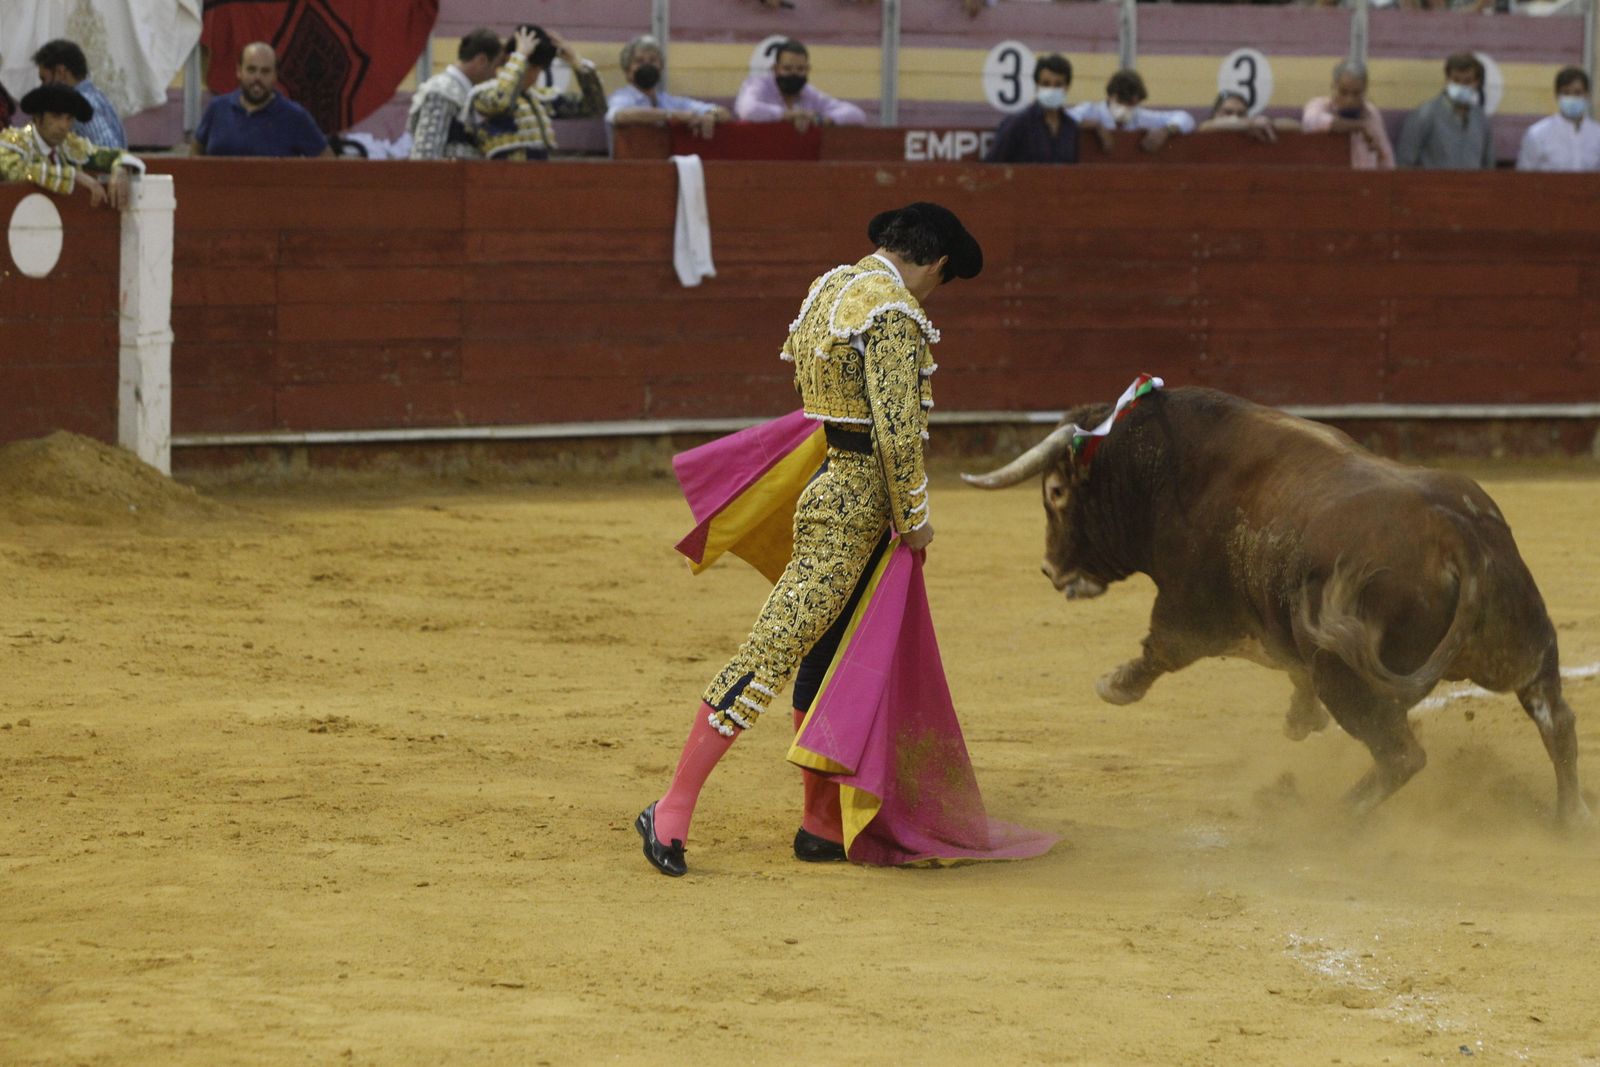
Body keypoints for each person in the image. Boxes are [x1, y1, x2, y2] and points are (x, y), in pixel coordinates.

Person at [635, 202, 983, 878]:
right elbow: (897, 433)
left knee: (831, 647)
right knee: (775, 648)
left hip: (827, 479)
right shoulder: (893, 314)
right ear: (936, 261)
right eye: (943, 278)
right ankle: (671, 808)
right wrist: (916, 519)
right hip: (855, 504)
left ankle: (820, 821)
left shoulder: (830, 288)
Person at [466, 25, 604, 161]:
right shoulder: (482, 94)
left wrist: (576, 61)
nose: (534, 75)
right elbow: (501, 102)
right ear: (510, 59)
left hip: (540, 177)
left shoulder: (540, 98)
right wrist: (520, 56)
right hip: (499, 177)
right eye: (530, 67)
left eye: (538, 69)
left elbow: (595, 107)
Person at [0, 83, 143, 209]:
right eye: (56, 116)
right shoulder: (12, 142)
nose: (64, 126)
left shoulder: (70, 146)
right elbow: (16, 172)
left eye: (69, 118)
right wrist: (74, 176)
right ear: (37, 117)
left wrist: (120, 169)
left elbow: (115, 155)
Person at [192, 43, 331, 157]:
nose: (257, 78)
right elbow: (196, 151)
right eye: (251, 70)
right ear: (239, 71)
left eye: (265, 71)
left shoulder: (295, 116)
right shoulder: (217, 109)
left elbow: (328, 165)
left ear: (275, 75)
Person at [605, 33, 730, 140]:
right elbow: (620, 115)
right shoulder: (620, 97)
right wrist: (672, 115)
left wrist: (711, 115)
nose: (647, 66)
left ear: (660, 68)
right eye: (639, 61)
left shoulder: (669, 101)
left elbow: (722, 112)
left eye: (653, 60)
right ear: (628, 71)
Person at [407, 27, 504, 160]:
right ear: (482, 60)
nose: (495, 75)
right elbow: (426, 155)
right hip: (447, 179)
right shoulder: (442, 91)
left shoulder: (460, 91)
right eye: (495, 66)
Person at [734, 38, 866, 131]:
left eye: (800, 69)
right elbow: (748, 110)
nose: (794, 74)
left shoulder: (809, 93)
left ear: (808, 70)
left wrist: (821, 120)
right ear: (775, 69)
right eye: (787, 68)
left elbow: (857, 115)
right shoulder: (758, 84)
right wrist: (790, 115)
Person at [1396, 53, 1495, 170]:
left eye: (1467, 81)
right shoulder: (1424, 114)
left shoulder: (1481, 119)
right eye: (1456, 80)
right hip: (1432, 187)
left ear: (1477, 83)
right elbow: (1405, 162)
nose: (1461, 86)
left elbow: (1488, 166)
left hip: (1472, 187)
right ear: (1447, 80)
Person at [31, 38, 126, 149]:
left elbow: (109, 152)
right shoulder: (95, 95)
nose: (43, 87)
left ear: (61, 72)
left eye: (44, 79)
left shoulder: (83, 103)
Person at [984, 53, 1078, 164]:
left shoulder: (1071, 127)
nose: (1052, 89)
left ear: (1067, 87)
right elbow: (991, 166)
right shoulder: (1017, 124)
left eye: (1058, 85)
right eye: (1046, 84)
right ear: (1036, 85)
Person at [1070, 69, 1195, 153]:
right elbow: (1063, 120)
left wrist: (1165, 130)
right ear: (1111, 96)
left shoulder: (1139, 115)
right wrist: (1096, 125)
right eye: (1125, 101)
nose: (1129, 108)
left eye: (1134, 104)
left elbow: (1185, 118)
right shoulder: (1091, 110)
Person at [1302, 60, 1395, 170]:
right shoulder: (1319, 106)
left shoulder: (1371, 113)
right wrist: (1360, 126)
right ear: (1333, 86)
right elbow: (1310, 121)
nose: (1349, 100)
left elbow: (1386, 159)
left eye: (1356, 93)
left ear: (1365, 90)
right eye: (1343, 92)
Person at [1516, 66, 1600, 172]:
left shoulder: (1597, 134)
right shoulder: (1537, 134)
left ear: (1587, 95)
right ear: (1557, 95)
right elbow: (1523, 177)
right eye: (1566, 93)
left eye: (1577, 93)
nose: (1572, 98)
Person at [1197, 90, 1298, 143]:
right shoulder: (1208, 127)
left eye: (1241, 114)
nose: (1235, 117)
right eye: (1228, 112)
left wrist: (1268, 122)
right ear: (1215, 114)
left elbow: (1297, 126)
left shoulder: (1254, 126)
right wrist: (1247, 123)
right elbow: (1205, 126)